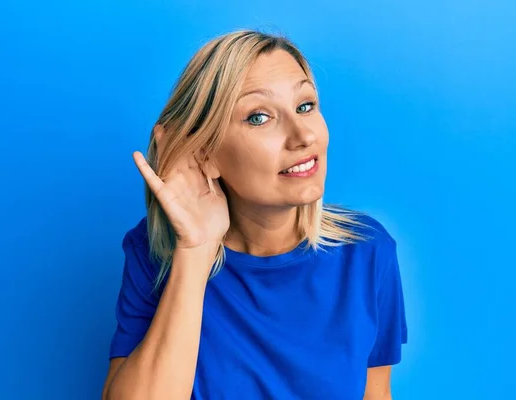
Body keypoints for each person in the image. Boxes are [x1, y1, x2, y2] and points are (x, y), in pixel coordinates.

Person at [102, 30, 408, 400]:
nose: (302, 136)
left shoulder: (367, 251)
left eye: (305, 106)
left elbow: (376, 394)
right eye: (259, 117)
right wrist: (195, 251)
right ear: (205, 154)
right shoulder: (154, 253)